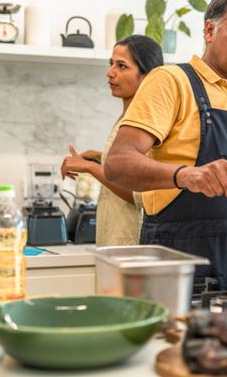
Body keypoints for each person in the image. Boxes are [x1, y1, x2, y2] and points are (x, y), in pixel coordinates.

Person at [104, 0, 227, 292]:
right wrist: (187, 175)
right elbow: (117, 162)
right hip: (176, 277)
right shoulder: (171, 81)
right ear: (209, 30)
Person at [60, 35, 163, 246]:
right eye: (111, 63)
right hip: (112, 240)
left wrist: (90, 167)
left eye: (122, 66)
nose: (110, 72)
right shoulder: (128, 116)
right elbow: (130, 165)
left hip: (131, 243)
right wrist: (99, 157)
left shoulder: (146, 122)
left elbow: (138, 195)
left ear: (147, 76)